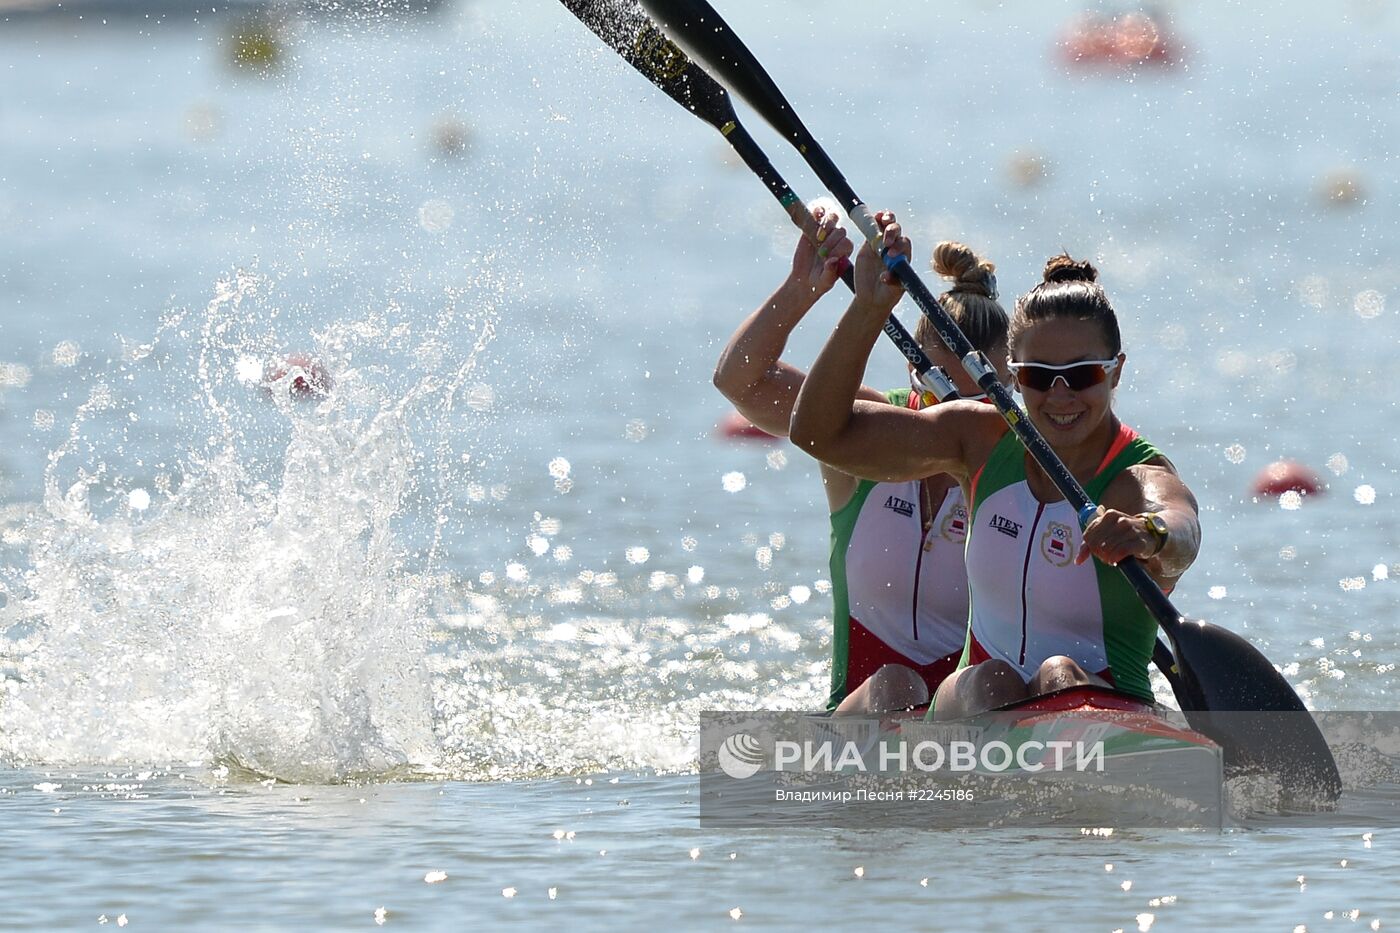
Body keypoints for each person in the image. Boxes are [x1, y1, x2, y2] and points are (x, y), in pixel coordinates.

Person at [789, 211, 1201, 719]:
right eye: (1038, 375)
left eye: (1083, 374)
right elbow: (816, 434)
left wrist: (1149, 533)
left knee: (1059, 672)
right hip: (978, 700)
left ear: (1116, 372)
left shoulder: (1135, 477)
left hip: (1097, 709)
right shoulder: (980, 439)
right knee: (954, 682)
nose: (1059, 394)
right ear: (1011, 374)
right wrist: (869, 308)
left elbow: (1182, 531)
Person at [713, 206, 1011, 715]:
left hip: (968, 713)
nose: (963, 426)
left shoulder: (1028, 462)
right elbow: (741, 382)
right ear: (916, 369)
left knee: (993, 681)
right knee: (894, 685)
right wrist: (803, 288)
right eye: (949, 401)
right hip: (864, 713)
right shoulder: (854, 430)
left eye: (983, 403)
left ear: (1011, 383)